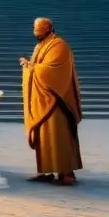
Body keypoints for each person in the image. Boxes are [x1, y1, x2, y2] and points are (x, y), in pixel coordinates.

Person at [21, 17, 83, 185]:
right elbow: (39, 66)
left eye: (40, 30)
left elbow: (54, 71)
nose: (37, 34)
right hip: (43, 100)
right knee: (44, 137)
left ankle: (66, 174)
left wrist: (30, 67)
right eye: (35, 30)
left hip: (57, 101)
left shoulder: (59, 45)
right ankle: (46, 170)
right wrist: (30, 65)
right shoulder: (40, 46)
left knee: (59, 136)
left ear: (49, 29)